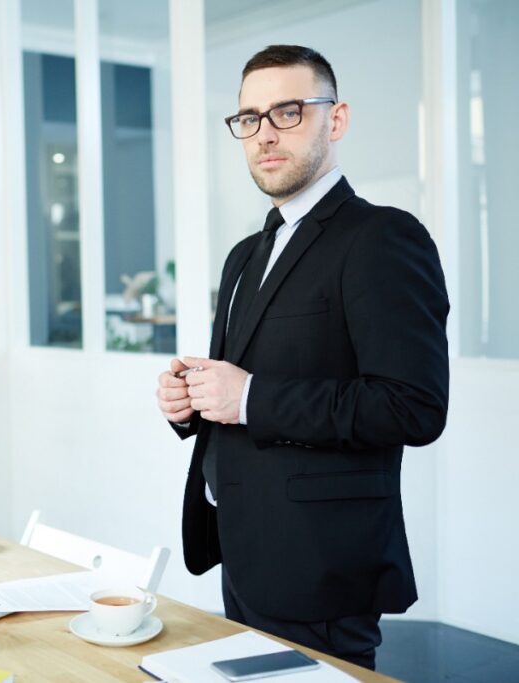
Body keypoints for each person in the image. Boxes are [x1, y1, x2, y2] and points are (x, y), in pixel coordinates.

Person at [155, 45, 449, 670]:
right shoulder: (245, 254)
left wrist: (249, 396)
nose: (265, 134)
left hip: (322, 564)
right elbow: (237, 389)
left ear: (335, 119)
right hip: (241, 546)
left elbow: (414, 406)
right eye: (250, 118)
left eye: (288, 112)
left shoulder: (382, 238)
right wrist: (191, 403)